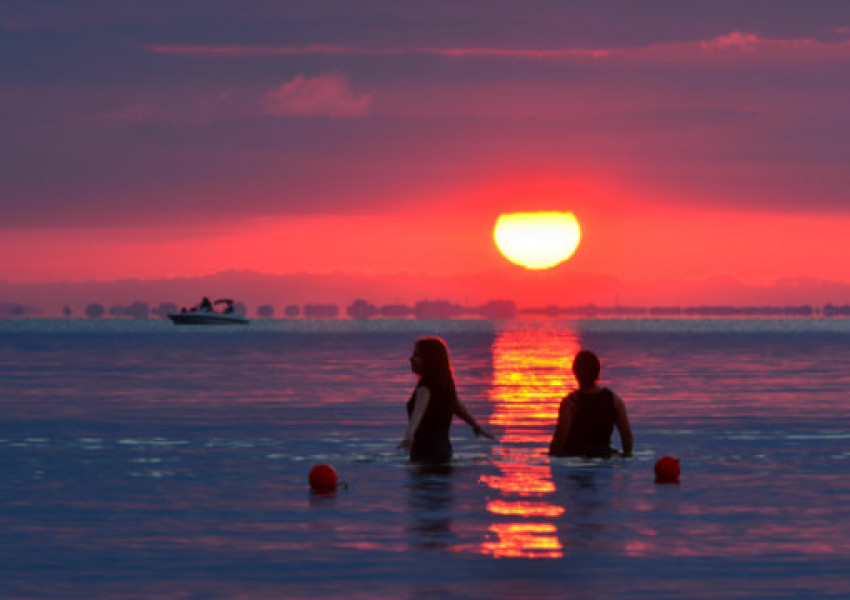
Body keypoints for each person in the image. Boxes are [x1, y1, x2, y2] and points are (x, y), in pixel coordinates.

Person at [399, 337, 494, 463]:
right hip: (444, 451)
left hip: (424, 452)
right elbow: (457, 407)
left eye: (416, 355)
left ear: (429, 360)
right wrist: (476, 426)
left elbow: (419, 411)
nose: (410, 359)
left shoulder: (425, 386)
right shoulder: (446, 384)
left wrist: (409, 434)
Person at [549, 350, 633, 458]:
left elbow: (559, 441)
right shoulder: (614, 400)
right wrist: (626, 455)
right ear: (598, 372)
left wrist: (550, 457)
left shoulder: (570, 403)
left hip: (574, 458)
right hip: (604, 456)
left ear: (575, 372)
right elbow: (627, 437)